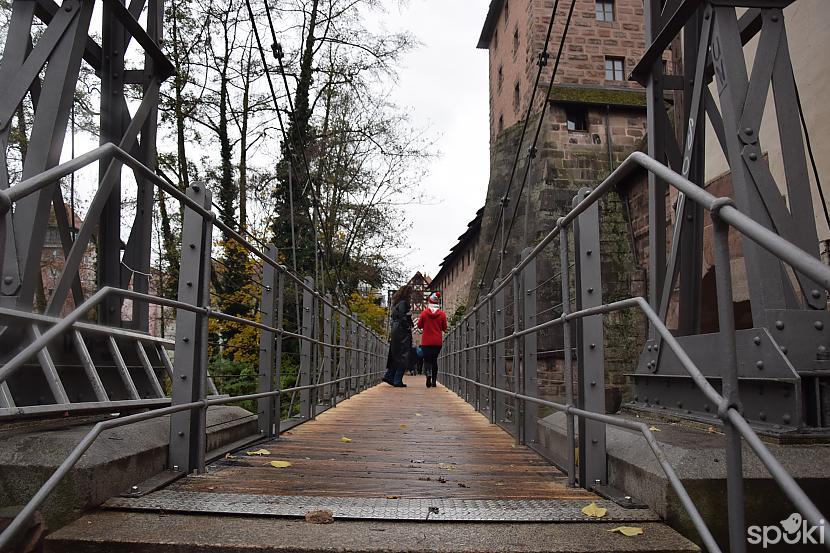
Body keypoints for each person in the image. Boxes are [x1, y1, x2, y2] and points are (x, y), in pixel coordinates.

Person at [383, 285, 414, 388]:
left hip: (396, 330)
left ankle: (389, 376)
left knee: (396, 354)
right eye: (410, 293)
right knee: (404, 354)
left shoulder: (396, 304)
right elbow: (403, 317)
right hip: (402, 331)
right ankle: (397, 379)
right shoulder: (403, 303)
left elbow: (398, 316)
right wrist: (408, 327)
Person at [417, 292, 447, 388]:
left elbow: (419, 325)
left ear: (429, 302)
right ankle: (434, 381)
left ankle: (428, 374)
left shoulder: (424, 313)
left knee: (427, 360)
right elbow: (444, 328)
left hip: (426, 341)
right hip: (437, 342)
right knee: (434, 360)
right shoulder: (442, 314)